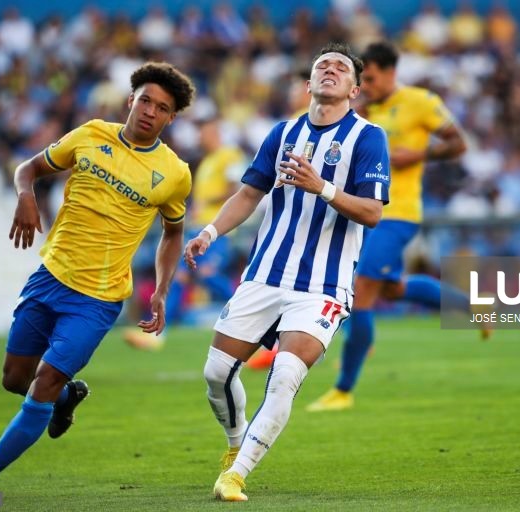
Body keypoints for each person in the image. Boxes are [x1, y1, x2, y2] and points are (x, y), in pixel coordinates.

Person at [0, 62, 195, 491]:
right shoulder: (90, 134)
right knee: (15, 378)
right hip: (49, 277)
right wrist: (26, 196)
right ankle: (68, 397)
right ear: (131, 100)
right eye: (145, 101)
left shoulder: (175, 173)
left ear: (171, 117)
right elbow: (26, 169)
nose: (150, 112)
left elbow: (173, 234)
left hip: (97, 300)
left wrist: (160, 290)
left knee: (44, 380)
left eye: (162, 108)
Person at [184, 42, 390, 501]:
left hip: (323, 285)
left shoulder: (368, 137)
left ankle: (235, 474)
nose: (330, 70)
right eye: (323, 65)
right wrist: (210, 233)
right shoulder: (283, 132)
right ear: (309, 82)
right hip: (264, 276)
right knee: (216, 373)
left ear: (354, 89)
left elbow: (372, 212)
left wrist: (323, 187)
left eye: (341, 67)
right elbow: (248, 194)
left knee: (284, 375)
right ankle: (235, 443)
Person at [306, 41, 476, 413]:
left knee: (361, 289)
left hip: (398, 213)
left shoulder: (420, 101)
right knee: (393, 289)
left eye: (371, 78)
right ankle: (470, 306)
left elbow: (458, 143)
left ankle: (343, 389)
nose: (366, 85)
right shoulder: (362, 108)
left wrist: (419, 154)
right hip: (359, 213)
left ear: (390, 72)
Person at [124, 116, 245, 350]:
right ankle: (157, 332)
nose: (201, 137)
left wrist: (207, 202)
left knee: (207, 274)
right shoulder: (206, 162)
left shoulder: (229, 156)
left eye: (205, 132)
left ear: (215, 133)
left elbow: (235, 190)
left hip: (217, 230)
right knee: (179, 278)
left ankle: (249, 312)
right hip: (197, 229)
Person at [245, 67, 312, 370]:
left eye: (298, 87)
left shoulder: (314, 124)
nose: (293, 93)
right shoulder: (287, 128)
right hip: (290, 219)